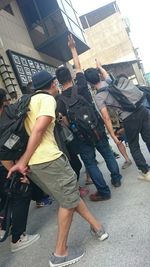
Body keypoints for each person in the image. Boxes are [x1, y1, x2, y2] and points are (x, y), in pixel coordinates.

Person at [7, 70, 109, 267]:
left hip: (38, 163)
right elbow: (39, 129)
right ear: (53, 84)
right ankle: (60, 253)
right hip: (48, 159)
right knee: (68, 201)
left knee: (68, 195)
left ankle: (97, 227)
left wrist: (24, 161)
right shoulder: (46, 100)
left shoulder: (30, 101)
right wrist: (22, 162)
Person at [56, 35, 122, 202]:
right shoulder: (81, 84)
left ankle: (103, 192)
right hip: (97, 127)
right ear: (71, 77)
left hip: (81, 135)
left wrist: (73, 127)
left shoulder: (60, 100)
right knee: (107, 153)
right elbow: (78, 66)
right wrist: (72, 48)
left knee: (90, 163)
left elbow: (64, 120)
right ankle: (116, 179)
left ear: (58, 82)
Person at [84, 62, 150, 181]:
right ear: (99, 75)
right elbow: (106, 74)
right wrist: (100, 67)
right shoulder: (111, 81)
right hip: (142, 109)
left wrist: (113, 136)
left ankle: (146, 172)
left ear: (89, 83)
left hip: (129, 118)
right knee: (149, 138)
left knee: (134, 146)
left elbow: (106, 118)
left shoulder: (99, 97)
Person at [0, 88, 40, 251]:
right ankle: (17, 238)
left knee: (5, 198)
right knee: (20, 194)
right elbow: (4, 156)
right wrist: (17, 173)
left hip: (5, 164)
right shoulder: (7, 118)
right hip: (5, 166)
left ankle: (5, 227)